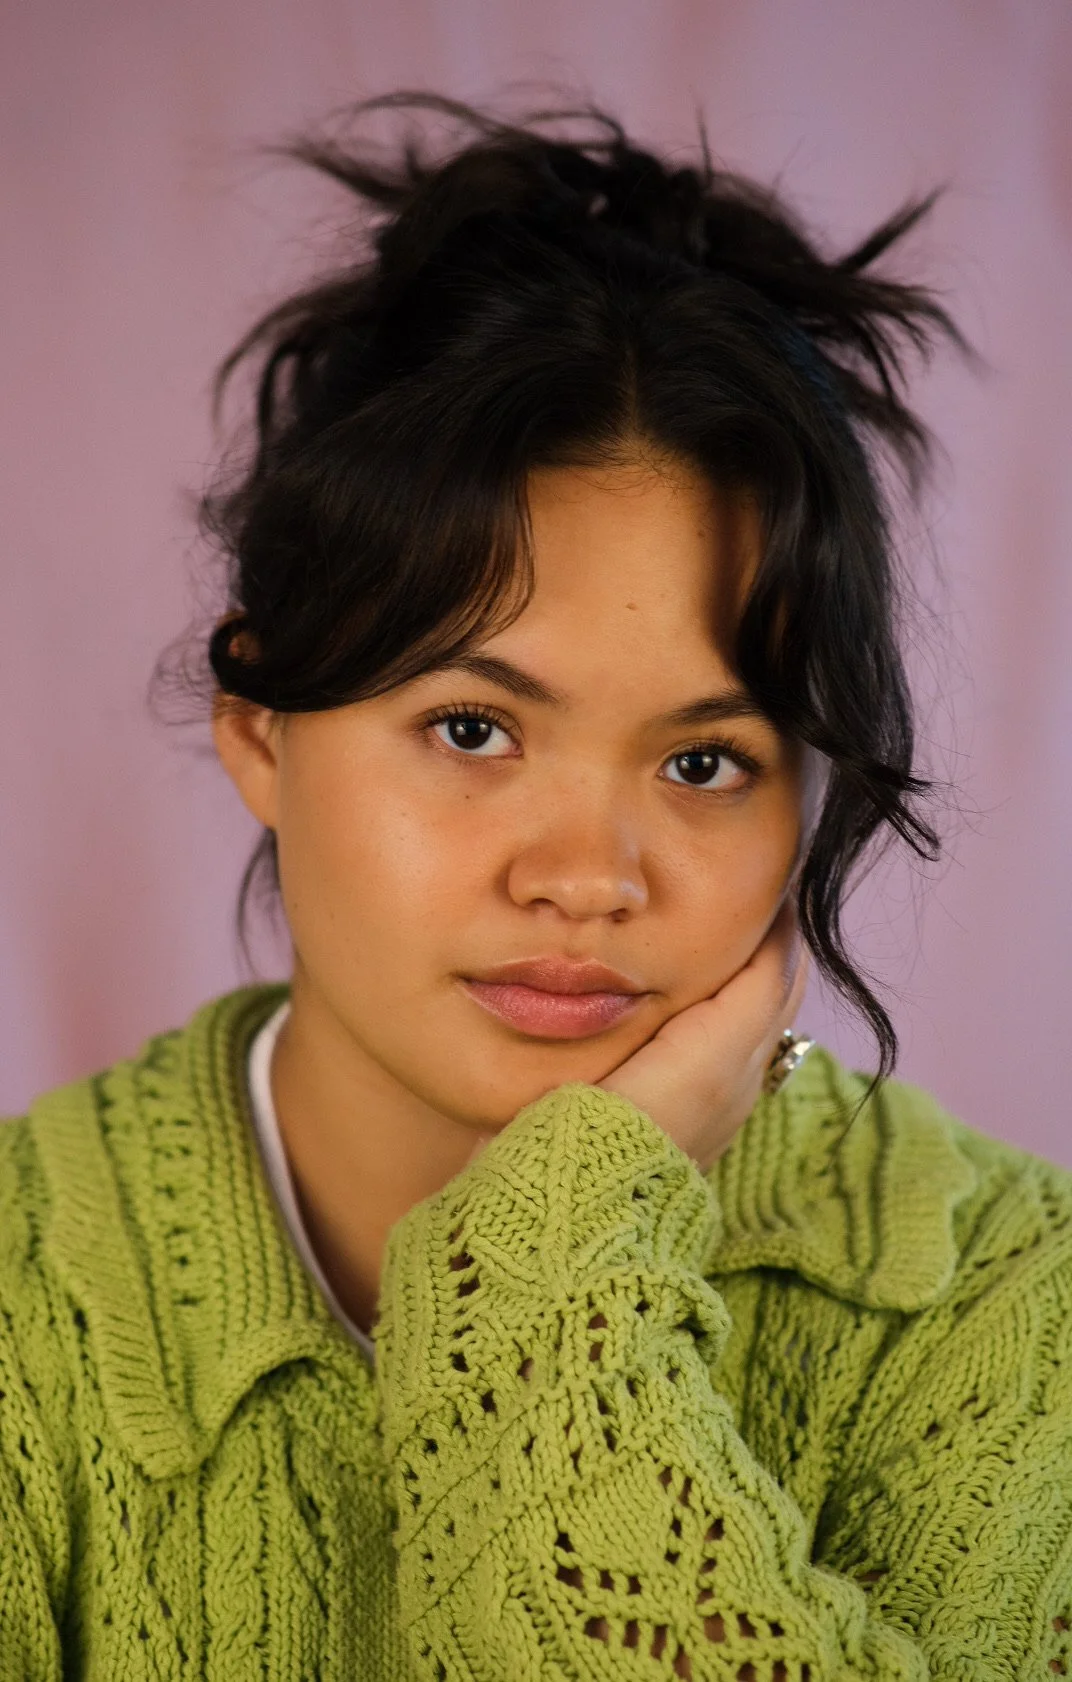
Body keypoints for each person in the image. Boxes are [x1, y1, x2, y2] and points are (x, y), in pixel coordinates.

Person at [3, 90, 1070, 1682]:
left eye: (707, 761)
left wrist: (549, 1287)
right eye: (473, 727)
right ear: (260, 731)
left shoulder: (1007, 1297)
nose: (588, 876)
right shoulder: (28, 1289)